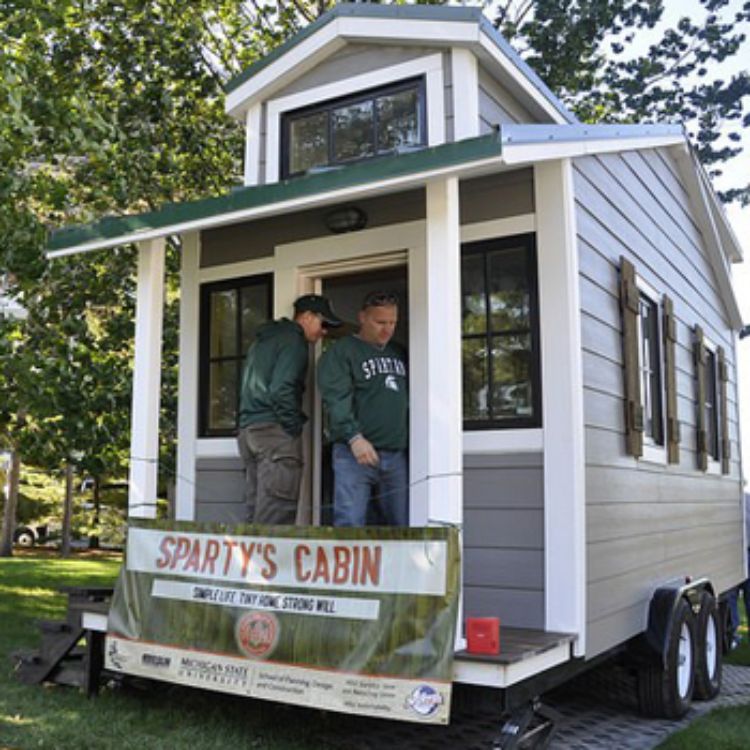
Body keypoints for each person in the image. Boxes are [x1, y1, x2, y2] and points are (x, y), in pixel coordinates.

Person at [237, 294, 342, 525]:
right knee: (276, 515)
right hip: (274, 433)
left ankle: (247, 561)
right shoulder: (294, 340)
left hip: (248, 431)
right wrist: (292, 428)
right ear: (306, 317)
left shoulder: (263, 341)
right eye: (323, 324)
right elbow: (281, 389)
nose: (324, 332)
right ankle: (268, 562)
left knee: (255, 511)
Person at [318, 291, 408, 527]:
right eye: (380, 322)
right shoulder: (342, 351)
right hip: (354, 454)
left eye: (392, 323)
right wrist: (354, 437)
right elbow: (336, 398)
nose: (387, 329)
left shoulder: (400, 352)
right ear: (362, 318)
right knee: (350, 524)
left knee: (402, 525)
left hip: (397, 455)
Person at [728, 493, 750, 648]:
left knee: (731, 598)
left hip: (733, 554)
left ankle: (733, 635)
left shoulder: (728, 502)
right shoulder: (747, 499)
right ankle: (733, 634)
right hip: (740, 552)